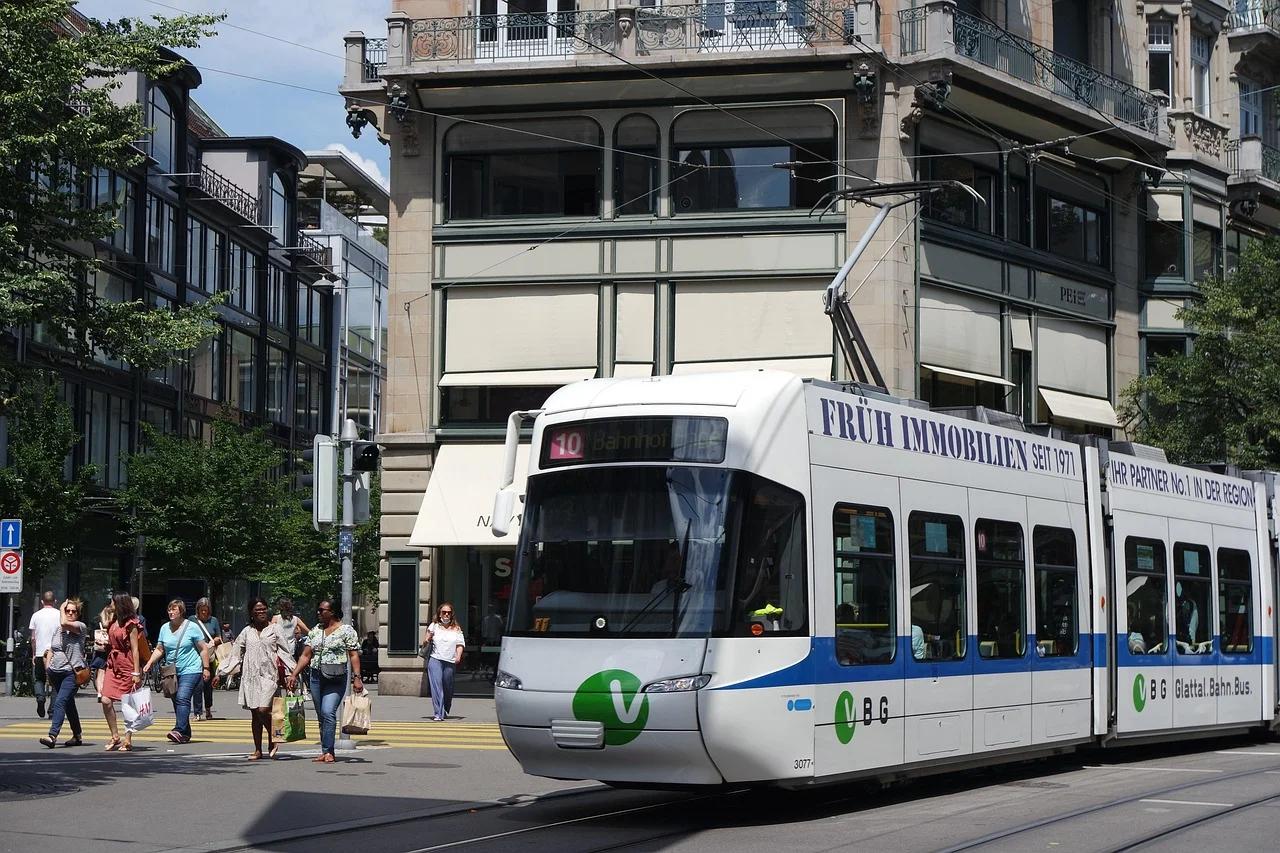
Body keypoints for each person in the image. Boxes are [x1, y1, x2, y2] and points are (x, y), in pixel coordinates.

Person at [214, 597, 293, 760]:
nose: (261, 612)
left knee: (263, 710)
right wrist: (220, 673)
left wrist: (292, 673)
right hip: (250, 677)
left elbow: (285, 652)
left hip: (270, 676)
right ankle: (258, 749)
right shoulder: (246, 631)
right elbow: (235, 655)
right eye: (257, 610)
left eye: (263, 609)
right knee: (255, 714)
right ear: (251, 613)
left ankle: (274, 737)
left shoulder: (275, 629)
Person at [286, 599, 362, 764]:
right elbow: (306, 655)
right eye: (318, 610)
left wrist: (357, 678)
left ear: (332, 612)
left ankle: (328, 751)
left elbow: (354, 655)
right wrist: (294, 674)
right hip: (316, 677)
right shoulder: (316, 630)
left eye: (322, 610)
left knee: (328, 712)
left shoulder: (346, 630)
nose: (318, 613)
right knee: (321, 715)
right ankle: (326, 750)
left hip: (336, 678)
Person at [142, 599, 211, 744]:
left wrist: (206, 668)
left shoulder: (192, 627)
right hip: (172, 671)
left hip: (191, 669)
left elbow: (203, 649)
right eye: (169, 609)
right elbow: (160, 649)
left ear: (181, 611)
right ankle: (185, 734)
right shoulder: (165, 628)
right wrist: (149, 662)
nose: (171, 612)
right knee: (176, 700)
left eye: (174, 609)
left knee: (182, 698)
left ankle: (179, 729)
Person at [99, 593, 144, 751]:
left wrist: (136, 673)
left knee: (128, 704)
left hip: (127, 665)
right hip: (113, 665)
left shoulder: (131, 624)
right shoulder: (113, 621)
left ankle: (127, 739)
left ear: (120, 604)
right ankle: (115, 735)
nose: (110, 604)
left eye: (112, 602)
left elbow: (135, 649)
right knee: (105, 700)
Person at [40, 598, 87, 748]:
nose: (70, 613)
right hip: (55, 672)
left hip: (71, 674)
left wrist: (61, 609)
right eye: (68, 611)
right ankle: (77, 735)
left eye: (74, 611)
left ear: (78, 614)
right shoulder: (58, 629)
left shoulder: (80, 627)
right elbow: (52, 649)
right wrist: (48, 667)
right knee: (68, 704)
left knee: (60, 702)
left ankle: (52, 736)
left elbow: (64, 623)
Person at [423, 603, 465, 722]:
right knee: (437, 687)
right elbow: (425, 642)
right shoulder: (434, 626)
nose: (446, 614)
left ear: (452, 615)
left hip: (450, 661)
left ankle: (445, 708)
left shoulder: (456, 629)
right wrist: (428, 639)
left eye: (449, 613)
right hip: (435, 659)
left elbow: (460, 644)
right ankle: (438, 713)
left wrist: (458, 656)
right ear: (439, 614)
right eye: (444, 612)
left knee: (447, 687)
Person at [28, 591, 60, 718]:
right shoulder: (60, 615)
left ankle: (40, 698)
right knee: (56, 682)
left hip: (40, 653)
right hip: (56, 653)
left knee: (39, 678)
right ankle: (52, 711)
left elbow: (33, 638)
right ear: (55, 601)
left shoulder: (36, 616)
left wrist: (34, 654)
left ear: (42, 602)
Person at [191, 598, 222, 720]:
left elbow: (219, 637)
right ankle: (198, 712)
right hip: (195, 656)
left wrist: (214, 641)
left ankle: (208, 709)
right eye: (202, 610)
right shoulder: (192, 620)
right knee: (198, 685)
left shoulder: (213, 620)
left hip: (210, 656)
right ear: (197, 610)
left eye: (206, 610)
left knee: (208, 685)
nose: (204, 612)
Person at [90, 602, 114, 699]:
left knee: (100, 671)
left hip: (100, 650)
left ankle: (100, 692)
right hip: (111, 649)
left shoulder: (97, 622)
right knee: (110, 672)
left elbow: (92, 635)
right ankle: (107, 691)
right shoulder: (114, 623)